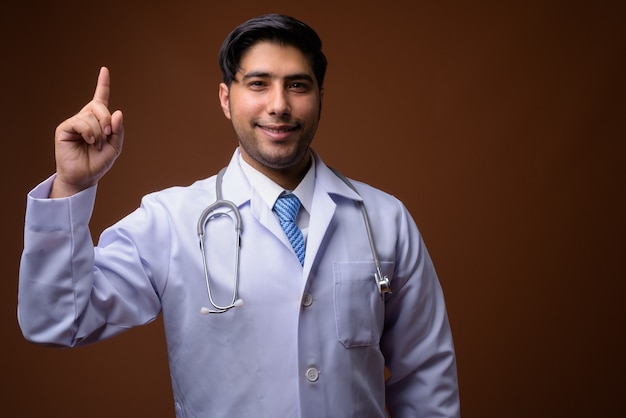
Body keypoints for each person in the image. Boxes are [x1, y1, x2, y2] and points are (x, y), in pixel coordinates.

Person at [18, 13, 460, 418]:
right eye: (259, 84)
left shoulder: (384, 219)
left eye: (298, 85)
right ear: (226, 98)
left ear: (320, 97)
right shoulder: (171, 220)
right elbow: (58, 320)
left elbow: (426, 377)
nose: (279, 105)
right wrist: (72, 187)